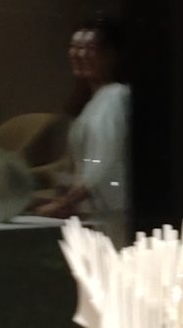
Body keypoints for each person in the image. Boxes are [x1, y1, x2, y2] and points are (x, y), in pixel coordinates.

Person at [30, 14, 129, 241]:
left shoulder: (116, 97)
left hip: (108, 215)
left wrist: (64, 202)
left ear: (112, 55)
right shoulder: (95, 100)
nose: (79, 54)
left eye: (90, 48)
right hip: (93, 213)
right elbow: (77, 164)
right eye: (75, 47)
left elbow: (103, 167)